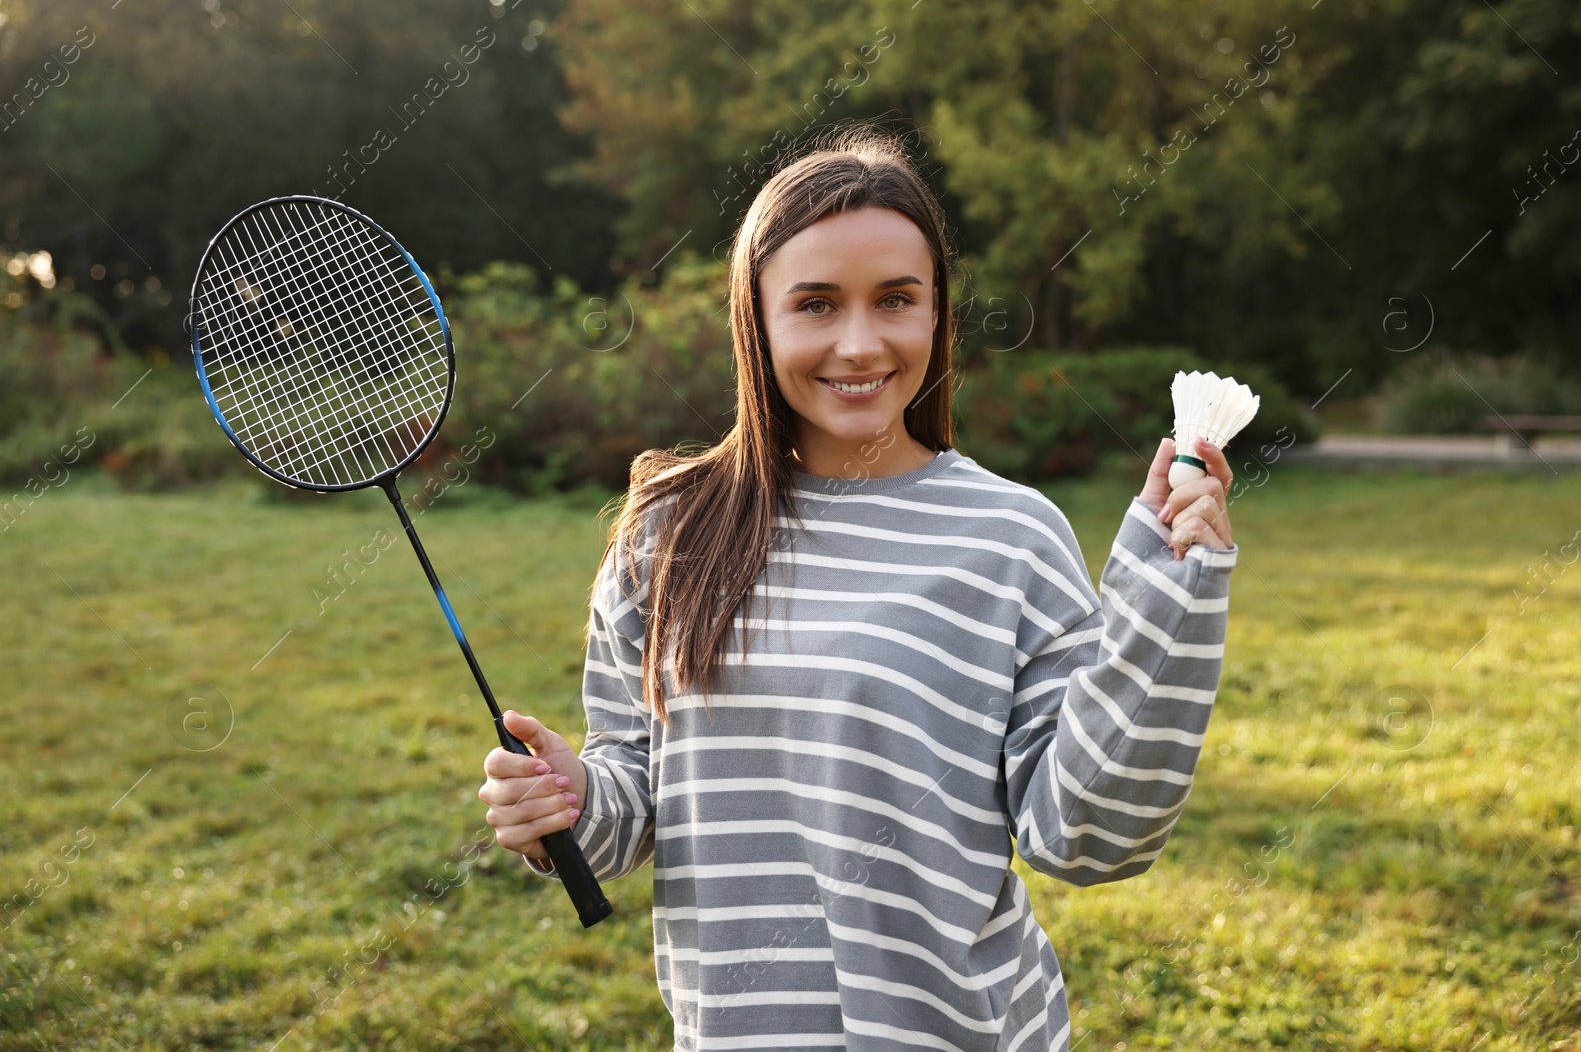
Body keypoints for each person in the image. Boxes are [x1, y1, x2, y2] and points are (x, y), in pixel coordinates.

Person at [478, 126, 1238, 1050]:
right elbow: (628, 812)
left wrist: (1167, 607)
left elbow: (1087, 836)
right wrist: (563, 803)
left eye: (896, 300)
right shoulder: (667, 531)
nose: (859, 341)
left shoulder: (1013, 535)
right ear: (755, 319)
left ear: (936, 313)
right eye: (815, 304)